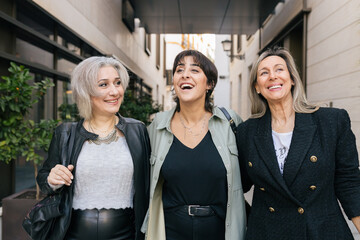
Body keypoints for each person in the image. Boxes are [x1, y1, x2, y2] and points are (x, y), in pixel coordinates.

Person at [236, 47, 360, 239]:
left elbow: (349, 182)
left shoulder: (331, 122)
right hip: (268, 233)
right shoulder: (246, 132)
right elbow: (235, 186)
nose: (272, 77)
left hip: (321, 232)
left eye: (279, 69)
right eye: (264, 73)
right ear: (257, 87)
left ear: (292, 79)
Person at [37, 56, 150, 240]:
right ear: (86, 91)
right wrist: (52, 179)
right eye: (103, 85)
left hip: (126, 233)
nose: (114, 91)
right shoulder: (65, 133)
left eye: (118, 83)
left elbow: (148, 185)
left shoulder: (138, 130)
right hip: (73, 233)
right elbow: (44, 178)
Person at [142, 50, 246, 240]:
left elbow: (253, 174)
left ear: (210, 84)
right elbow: (135, 171)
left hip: (221, 231)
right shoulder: (157, 125)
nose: (185, 74)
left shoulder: (230, 123)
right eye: (179, 70)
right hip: (169, 231)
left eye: (195, 70)